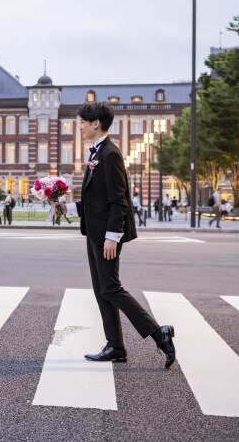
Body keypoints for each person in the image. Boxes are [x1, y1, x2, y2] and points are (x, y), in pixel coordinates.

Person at [57, 102, 176, 369]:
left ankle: (160, 334)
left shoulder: (110, 154)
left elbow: (119, 200)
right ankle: (116, 347)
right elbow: (96, 201)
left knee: (111, 288)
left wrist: (113, 236)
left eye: (82, 123)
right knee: (102, 290)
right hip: (95, 232)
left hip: (106, 236)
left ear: (95, 123)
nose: (80, 127)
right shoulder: (98, 153)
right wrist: (67, 208)